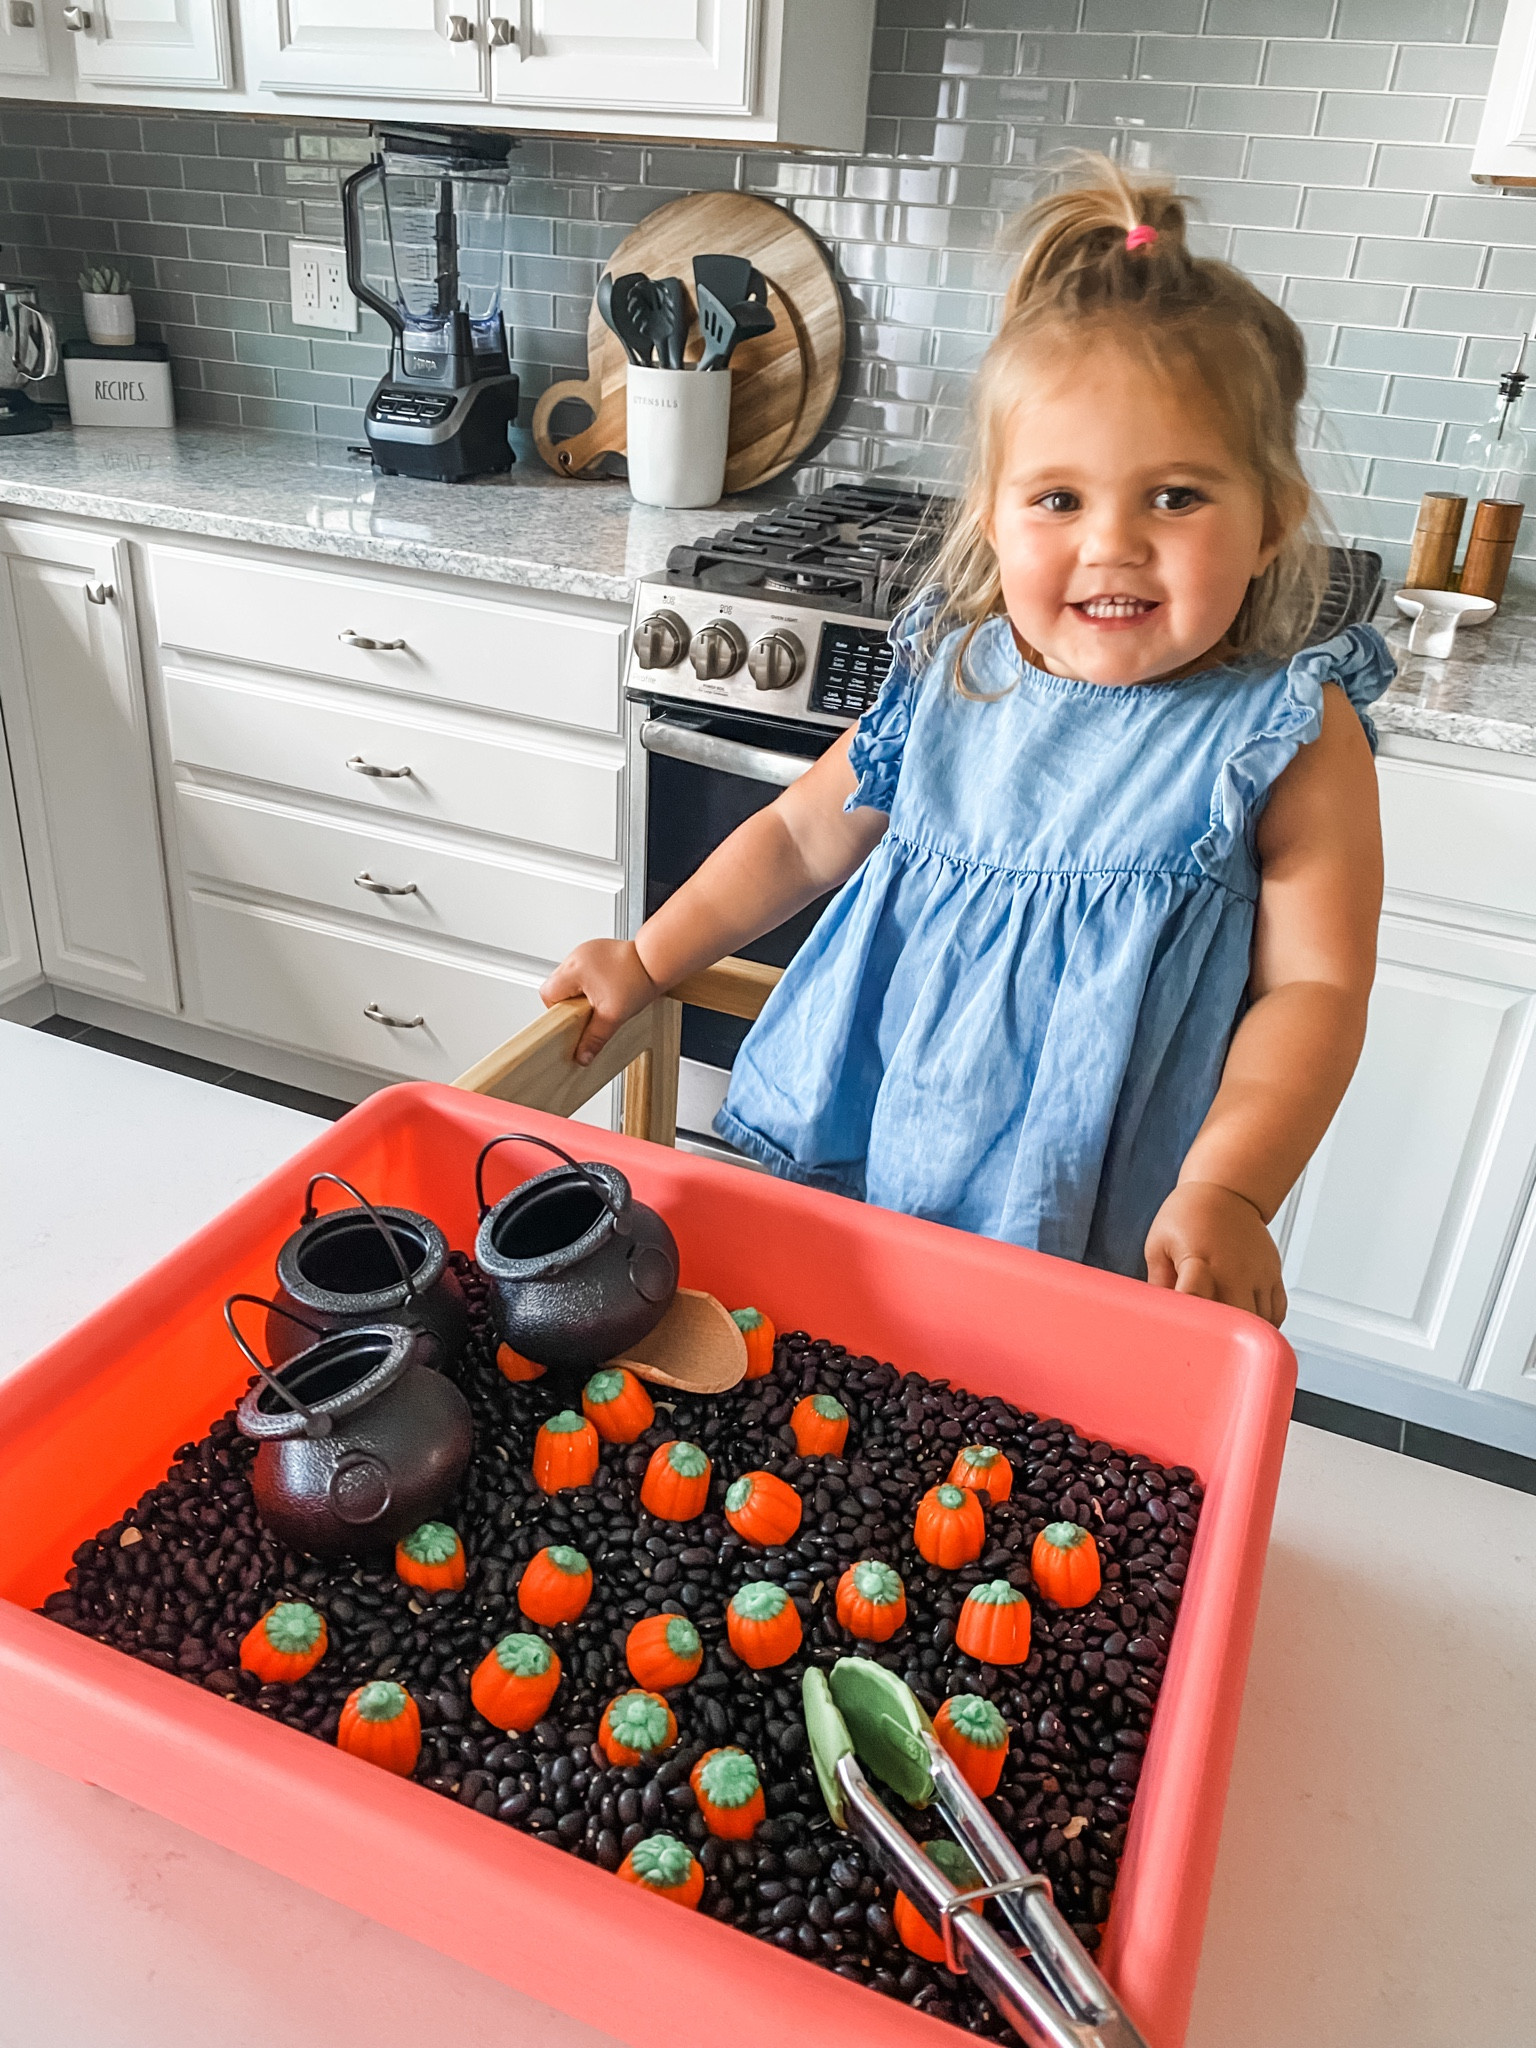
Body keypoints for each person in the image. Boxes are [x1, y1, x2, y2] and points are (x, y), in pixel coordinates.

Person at [541, 156, 1390, 1329]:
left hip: (1085, 1206)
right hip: (874, 1148)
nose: (1113, 546)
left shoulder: (1289, 731)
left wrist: (1232, 1188)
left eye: (1177, 497)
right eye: (1059, 500)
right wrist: (648, 958)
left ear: (1272, 519)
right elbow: (793, 838)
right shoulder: (955, 675)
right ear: (992, 512)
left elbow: (1317, 987)